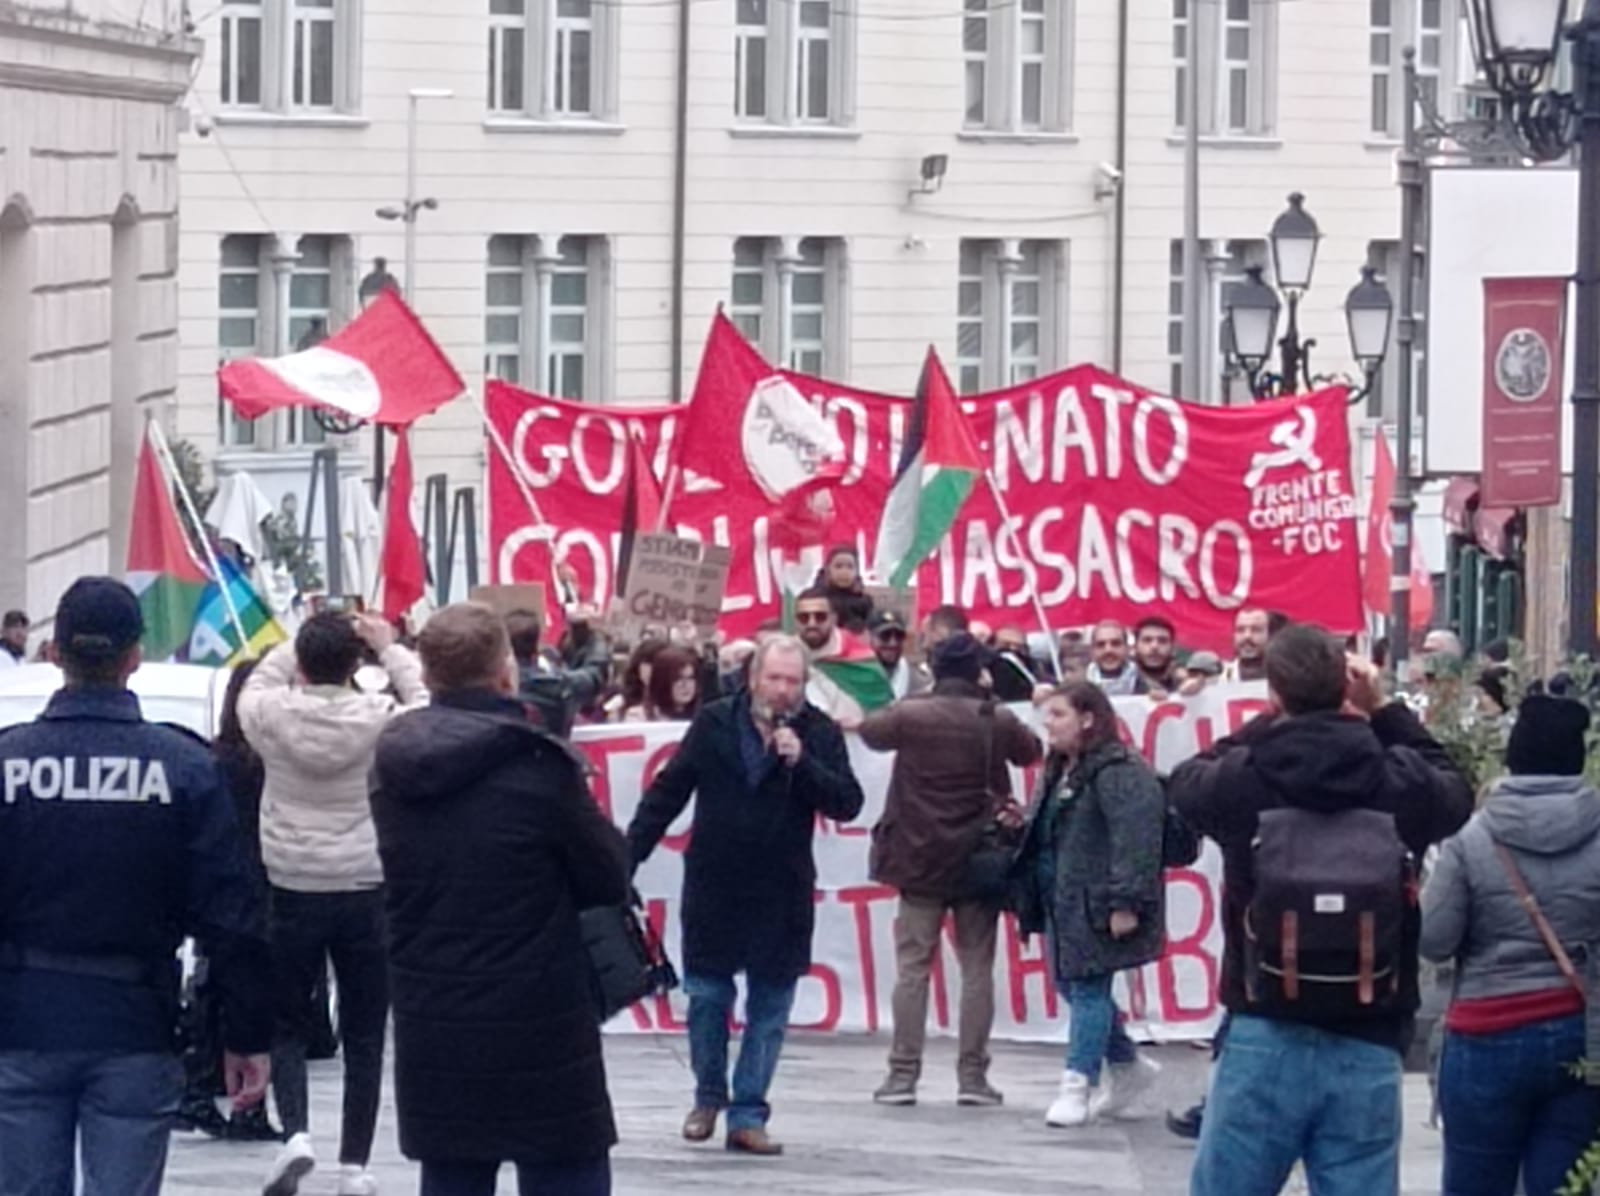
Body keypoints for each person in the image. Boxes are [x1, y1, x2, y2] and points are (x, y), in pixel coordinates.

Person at [1169, 624, 1473, 1196]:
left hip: (1264, 1021)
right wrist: (1383, 711)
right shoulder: (1394, 776)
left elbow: (1186, 785)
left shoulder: (1246, 777)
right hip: (1369, 1028)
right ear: (1347, 689)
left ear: (1274, 695)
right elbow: (1456, 790)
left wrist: (1268, 723)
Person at [0, 577, 272, 1195]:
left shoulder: (8, 762)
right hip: (135, 1024)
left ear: (54, 653)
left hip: (19, 1021)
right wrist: (246, 1034)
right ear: (134, 659)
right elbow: (231, 915)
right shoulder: (184, 768)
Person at [371, 603, 630, 1196]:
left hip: (434, 1011)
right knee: (566, 1167)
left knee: (453, 1171)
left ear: (429, 674)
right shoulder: (541, 767)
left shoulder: (394, 767)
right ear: (506, 671)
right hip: (541, 1017)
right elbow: (608, 876)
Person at [627, 635, 866, 1156]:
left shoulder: (817, 732)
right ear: (754, 677)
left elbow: (848, 802)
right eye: (774, 679)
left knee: (770, 1006)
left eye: (793, 681)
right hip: (716, 882)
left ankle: (749, 1113)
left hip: (781, 889)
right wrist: (626, 858)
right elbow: (669, 792)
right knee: (708, 998)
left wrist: (802, 762)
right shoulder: (715, 721)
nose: (782, 691)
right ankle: (708, 1094)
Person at [240, 612, 427, 1196]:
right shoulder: (381, 719)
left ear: (300, 661)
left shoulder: (272, 715)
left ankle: (296, 1132)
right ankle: (355, 1165)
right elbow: (425, 707)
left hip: (292, 880)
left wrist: (292, 642)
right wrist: (391, 650)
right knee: (366, 1031)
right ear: (356, 665)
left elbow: (252, 688)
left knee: (289, 1022)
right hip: (363, 882)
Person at [1421, 694, 1600, 1196]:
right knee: (1564, 1182)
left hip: (1486, 1031)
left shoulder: (1472, 840)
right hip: (1581, 1031)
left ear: (1513, 757)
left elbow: (1434, 941)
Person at [860, 632, 1042, 1107]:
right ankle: (973, 1077)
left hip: (918, 857)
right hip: (978, 859)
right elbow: (1031, 751)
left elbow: (870, 731)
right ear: (977, 669)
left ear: (935, 668)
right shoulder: (994, 717)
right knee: (977, 969)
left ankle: (902, 1075)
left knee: (913, 968)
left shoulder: (909, 714)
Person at [1013, 682, 1167, 1127]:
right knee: (1069, 984)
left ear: (1087, 719)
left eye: (1058, 714)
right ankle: (1126, 1063)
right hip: (1059, 896)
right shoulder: (1060, 768)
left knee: (1088, 988)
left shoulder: (1120, 771)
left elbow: (1135, 840)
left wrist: (1127, 902)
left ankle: (1076, 1084)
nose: (1048, 723)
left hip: (1094, 900)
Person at [178, 660, 283, 1142]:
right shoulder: (263, 762)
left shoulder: (217, 760)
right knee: (255, 998)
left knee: (217, 990)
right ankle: (244, 1103)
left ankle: (202, 1092)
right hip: (262, 884)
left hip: (221, 887)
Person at [505, 607, 606, 738]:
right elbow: (594, 676)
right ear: (536, 647)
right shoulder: (559, 686)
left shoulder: (487, 687)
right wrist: (595, 635)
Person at [814, 544, 874, 634]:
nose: (844, 572)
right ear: (828, 570)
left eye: (850, 567)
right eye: (838, 566)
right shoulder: (816, 598)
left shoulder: (864, 601)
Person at [869, 609, 928, 701]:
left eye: (899, 636)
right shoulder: (856, 677)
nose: (893, 643)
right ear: (870, 637)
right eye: (885, 636)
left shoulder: (920, 681)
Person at [644, 644, 702, 722]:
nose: (685, 685)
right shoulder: (641, 717)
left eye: (690, 678)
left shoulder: (704, 716)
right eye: (678, 679)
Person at [1086, 620, 1146, 696]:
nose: (1108, 650)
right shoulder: (1075, 686)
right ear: (1092, 651)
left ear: (1127, 648)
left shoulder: (1148, 684)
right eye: (1100, 645)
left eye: (1115, 643)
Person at [615, 638, 668, 722]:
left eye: (658, 663)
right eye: (648, 663)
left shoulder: (676, 704)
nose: (652, 668)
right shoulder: (618, 703)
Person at [990, 626, 1040, 702]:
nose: (1013, 649)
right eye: (1006, 645)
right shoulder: (992, 666)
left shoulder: (1034, 665)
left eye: (1018, 646)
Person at [1221, 608, 1271, 683]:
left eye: (1256, 629)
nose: (1247, 636)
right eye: (1240, 630)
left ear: (1269, 634)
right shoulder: (1220, 677)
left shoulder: (1285, 675)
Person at [1132, 616, 1180, 694]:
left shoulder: (1184, 683)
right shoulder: (1122, 685)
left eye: (1162, 641)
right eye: (1147, 640)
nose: (1154, 646)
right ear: (1135, 647)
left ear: (1173, 648)